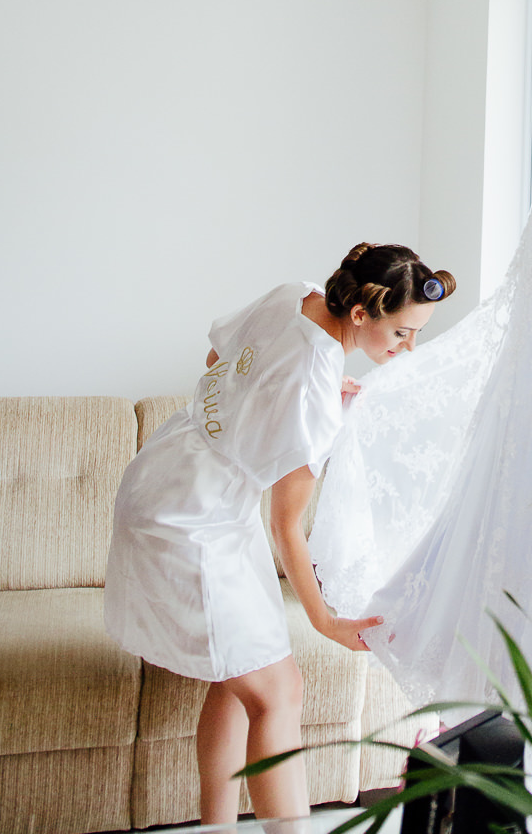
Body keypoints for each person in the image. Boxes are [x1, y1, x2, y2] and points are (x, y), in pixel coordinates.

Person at [104, 242, 455, 825]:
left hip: (170, 466)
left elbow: (219, 356)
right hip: (192, 517)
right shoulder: (315, 397)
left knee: (239, 677)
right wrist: (326, 621)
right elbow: (285, 524)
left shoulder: (293, 295)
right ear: (363, 315)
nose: (408, 347)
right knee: (280, 691)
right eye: (402, 333)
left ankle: (216, 827)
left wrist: (281, 400)